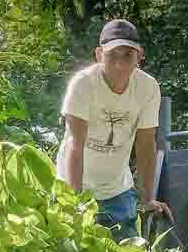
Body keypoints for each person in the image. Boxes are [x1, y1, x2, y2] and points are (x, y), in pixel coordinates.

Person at [58, 19, 170, 238]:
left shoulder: (148, 87)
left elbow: (146, 144)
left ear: (139, 56)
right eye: (112, 56)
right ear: (99, 55)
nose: (120, 65)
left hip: (117, 189)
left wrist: (148, 199)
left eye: (127, 55)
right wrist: (74, 202)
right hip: (73, 186)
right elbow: (75, 145)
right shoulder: (83, 84)